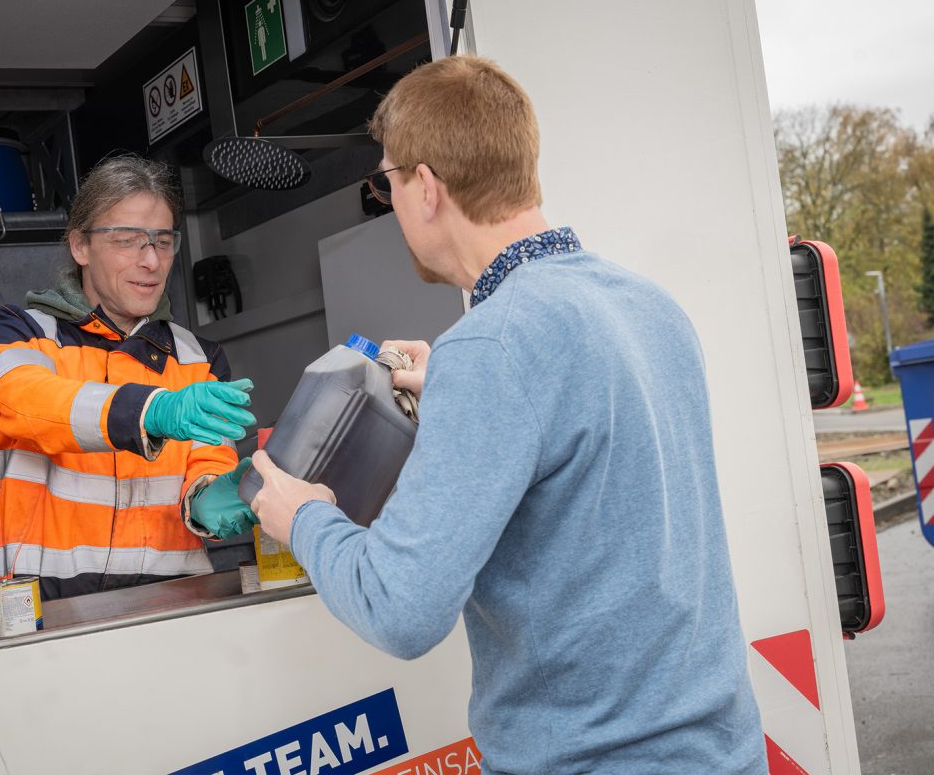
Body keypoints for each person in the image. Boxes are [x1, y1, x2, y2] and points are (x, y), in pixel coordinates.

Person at [249, 57, 767, 772]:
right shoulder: (645, 303)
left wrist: (300, 516)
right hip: (722, 750)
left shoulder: (493, 346)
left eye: (387, 183)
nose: (391, 201)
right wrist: (458, 390)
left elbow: (399, 608)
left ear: (425, 187)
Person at [0, 155, 259, 601]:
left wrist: (212, 497)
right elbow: (24, 406)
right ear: (80, 246)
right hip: (47, 606)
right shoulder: (20, 332)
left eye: (163, 242)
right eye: (128, 241)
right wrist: (149, 411)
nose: (152, 262)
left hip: (176, 602)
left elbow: (207, 464)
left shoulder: (199, 357)